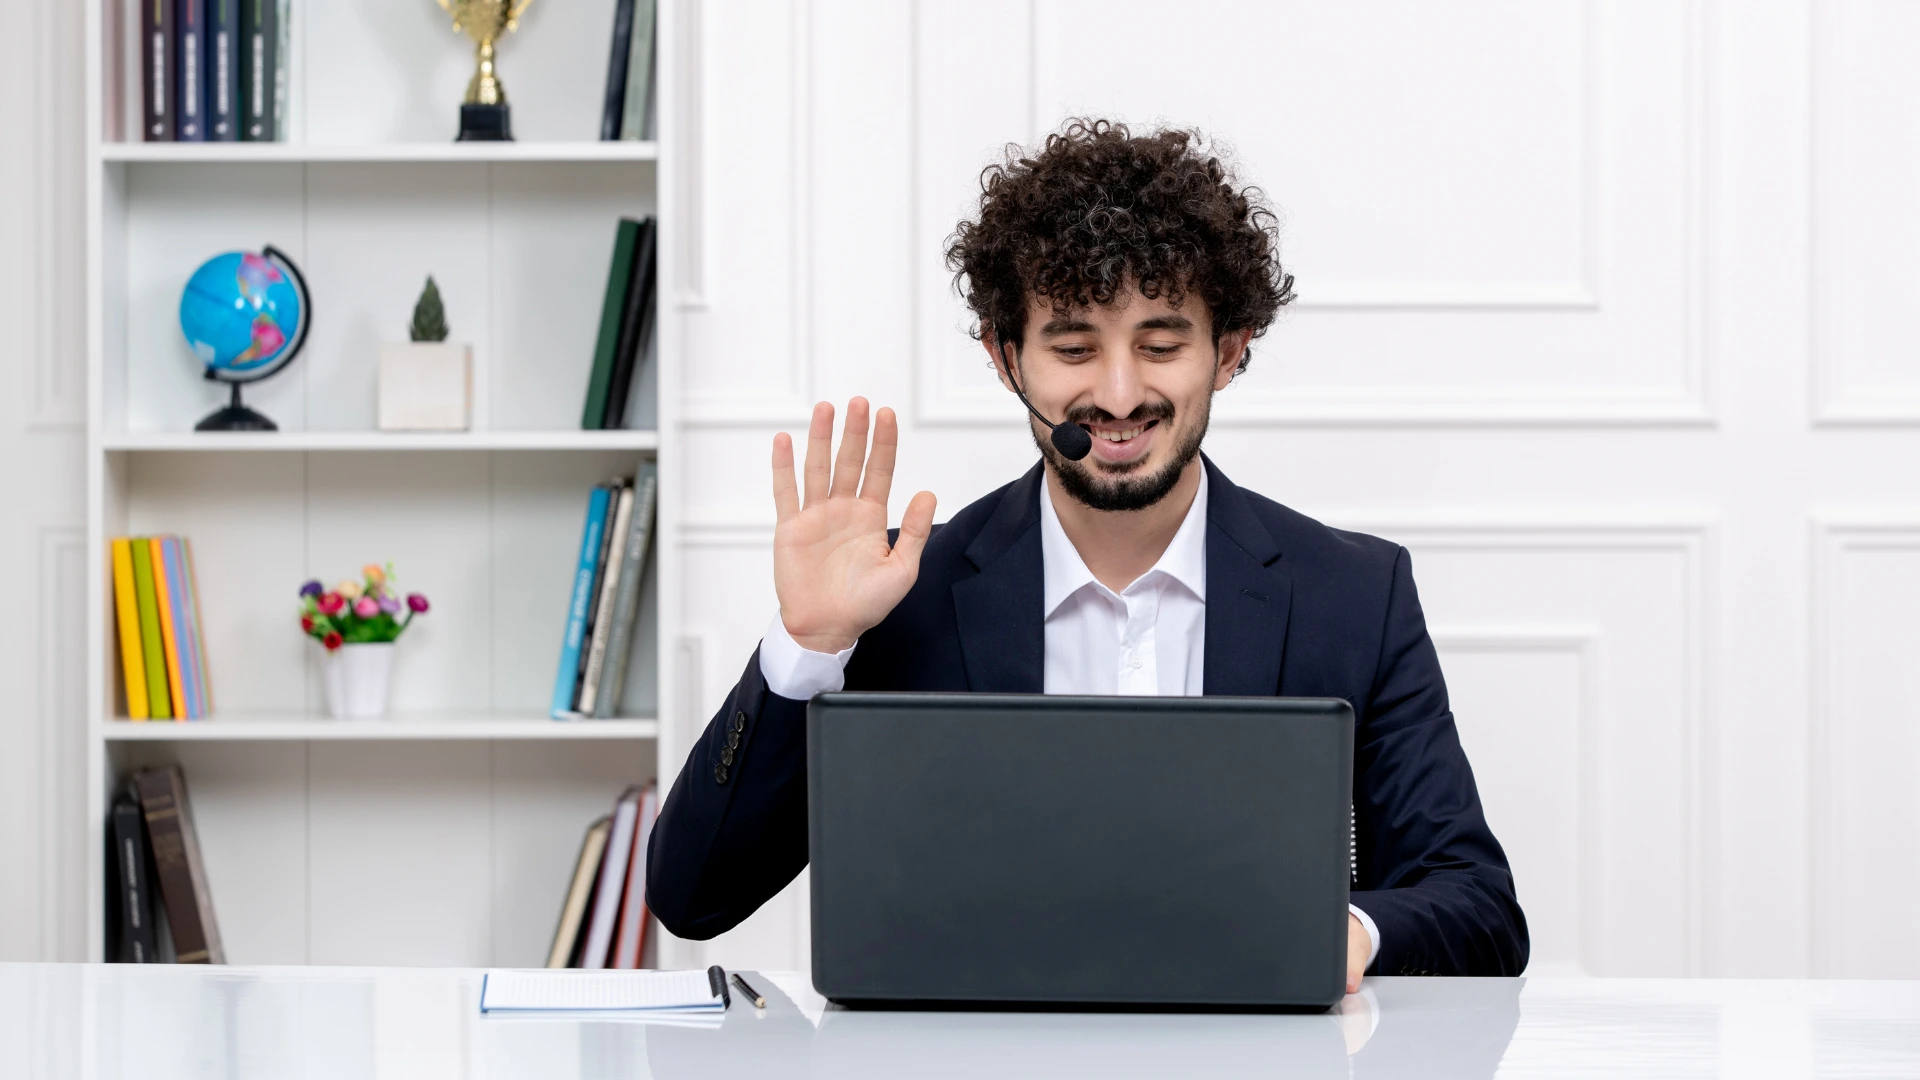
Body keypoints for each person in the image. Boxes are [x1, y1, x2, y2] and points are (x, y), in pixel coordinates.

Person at [647, 119, 1528, 990]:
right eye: (1073, 347)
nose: (1117, 394)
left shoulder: (1355, 594)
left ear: (1228, 351)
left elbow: (1478, 906)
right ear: (1006, 359)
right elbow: (693, 898)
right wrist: (809, 647)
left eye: (1161, 343)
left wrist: (1346, 932)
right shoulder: (899, 595)